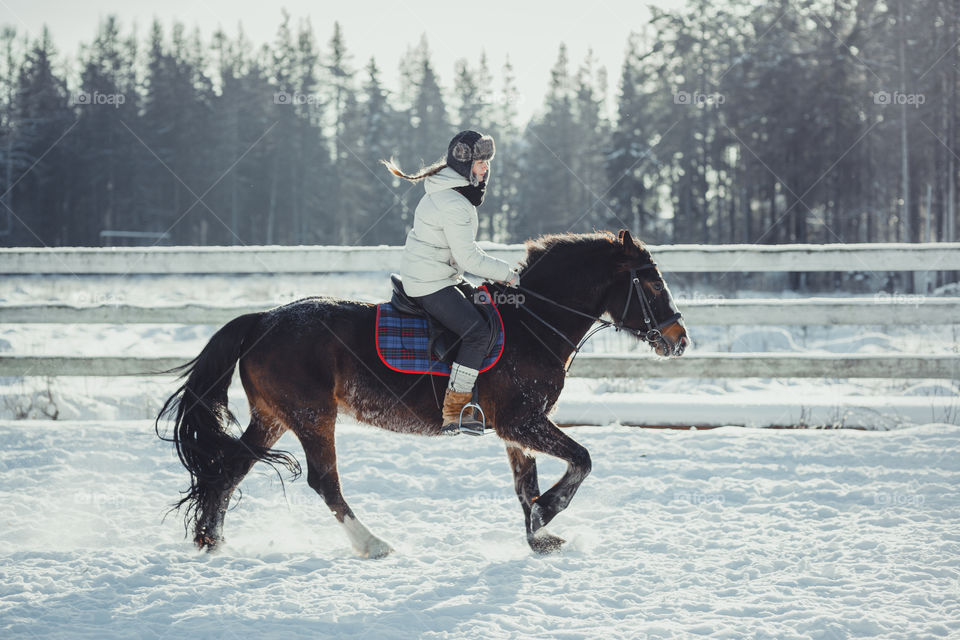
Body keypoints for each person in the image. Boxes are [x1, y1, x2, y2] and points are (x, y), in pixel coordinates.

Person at [382, 130, 519, 433]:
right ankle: (455, 412)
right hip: (430, 282)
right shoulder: (454, 203)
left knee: (490, 308)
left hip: (440, 275)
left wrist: (500, 274)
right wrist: (509, 276)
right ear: (464, 165)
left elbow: (466, 252)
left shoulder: (449, 192)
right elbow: (469, 259)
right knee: (477, 333)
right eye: (481, 162)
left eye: (487, 162)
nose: (486, 169)